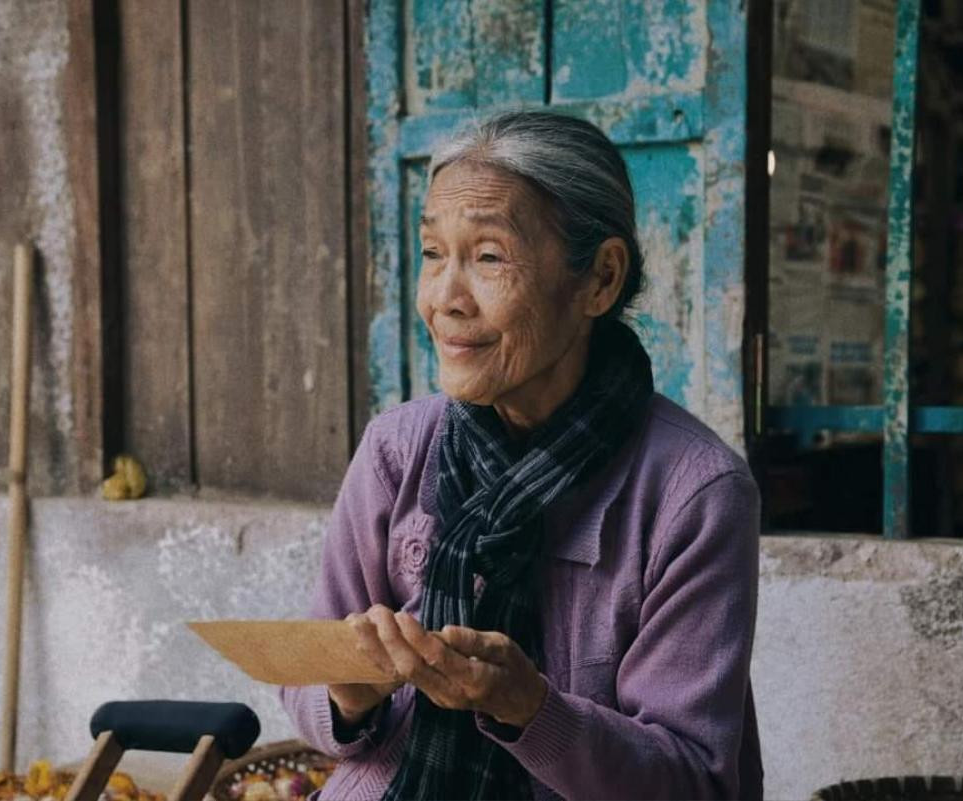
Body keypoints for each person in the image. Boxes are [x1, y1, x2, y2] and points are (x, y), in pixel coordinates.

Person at [280, 110, 762, 800]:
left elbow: (693, 782)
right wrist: (347, 695)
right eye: (432, 253)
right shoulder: (396, 448)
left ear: (600, 278)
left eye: (488, 257)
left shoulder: (695, 492)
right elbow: (308, 686)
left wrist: (532, 710)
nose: (445, 299)